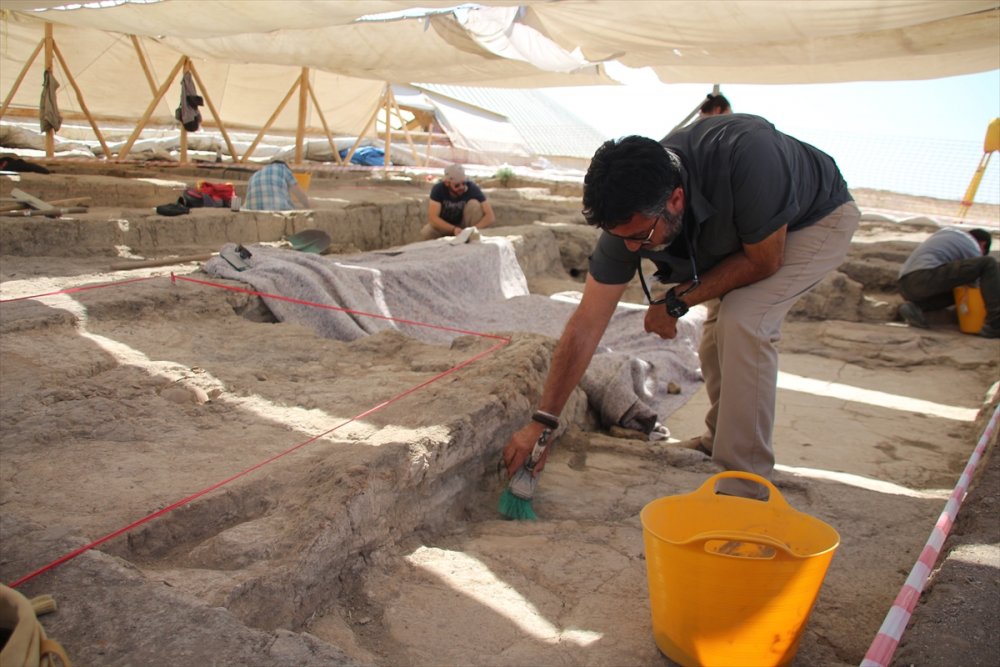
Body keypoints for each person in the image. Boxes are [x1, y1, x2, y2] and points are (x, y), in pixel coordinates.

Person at [502, 116, 860, 499]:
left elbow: (764, 261)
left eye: (641, 236)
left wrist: (675, 302)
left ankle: (745, 487)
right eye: (622, 238)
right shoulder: (631, 222)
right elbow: (587, 322)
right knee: (715, 339)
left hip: (813, 220)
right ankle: (718, 439)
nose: (633, 249)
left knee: (744, 322)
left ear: (675, 199)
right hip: (742, 234)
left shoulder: (748, 155)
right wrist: (544, 420)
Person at [897, 227, 999, 337]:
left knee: (958, 289)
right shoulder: (972, 245)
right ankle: (996, 323)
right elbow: (978, 284)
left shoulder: (947, 233)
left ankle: (915, 307)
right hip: (924, 276)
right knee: (989, 263)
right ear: (983, 245)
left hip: (905, 285)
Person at [421, 164, 495, 240]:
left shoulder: (472, 188)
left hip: (464, 226)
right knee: (427, 232)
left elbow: (490, 216)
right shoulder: (438, 189)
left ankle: (472, 240)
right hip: (444, 226)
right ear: (447, 183)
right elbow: (433, 218)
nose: (461, 187)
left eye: (463, 183)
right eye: (457, 185)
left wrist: (471, 230)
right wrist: (453, 229)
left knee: (474, 204)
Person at [244, 160, 310, 211]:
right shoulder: (284, 168)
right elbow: (300, 195)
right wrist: (311, 207)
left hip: (252, 209)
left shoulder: (255, 174)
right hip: (277, 209)